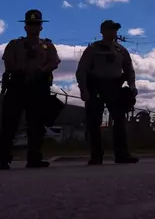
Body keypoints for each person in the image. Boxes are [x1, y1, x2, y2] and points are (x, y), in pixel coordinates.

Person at [0, 10, 61, 170]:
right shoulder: (15, 44)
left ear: (41, 27)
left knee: (36, 124)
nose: (33, 27)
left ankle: (34, 157)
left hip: (38, 86)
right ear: (25, 27)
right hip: (18, 84)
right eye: (30, 24)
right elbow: (8, 61)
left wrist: (41, 71)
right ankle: (3, 158)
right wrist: (21, 71)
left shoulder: (48, 46)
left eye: (37, 24)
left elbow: (54, 62)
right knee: (9, 123)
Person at [76, 20, 139, 165]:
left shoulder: (121, 50)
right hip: (96, 87)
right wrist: (83, 89)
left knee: (120, 120)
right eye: (110, 29)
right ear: (102, 31)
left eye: (115, 30)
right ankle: (96, 156)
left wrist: (132, 85)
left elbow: (129, 70)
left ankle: (122, 154)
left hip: (114, 87)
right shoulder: (93, 48)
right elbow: (82, 70)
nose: (113, 32)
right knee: (94, 122)